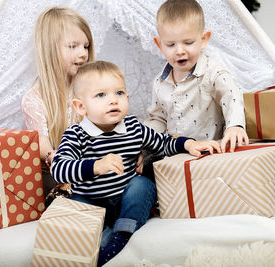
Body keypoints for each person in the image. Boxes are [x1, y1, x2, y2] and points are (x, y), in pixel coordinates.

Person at [51, 61, 221, 266]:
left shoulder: (133, 127)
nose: (113, 100)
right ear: (80, 107)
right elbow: (59, 169)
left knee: (143, 184)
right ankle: (100, 235)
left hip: (125, 199)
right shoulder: (76, 134)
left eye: (119, 93)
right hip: (92, 201)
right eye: (101, 95)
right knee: (75, 205)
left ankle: (122, 234)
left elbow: (162, 143)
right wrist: (95, 166)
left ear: (127, 98)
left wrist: (188, 144)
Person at [145, 0, 249, 153]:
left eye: (188, 42)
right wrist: (143, 145)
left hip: (210, 153)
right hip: (174, 156)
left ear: (203, 40)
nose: (179, 51)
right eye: (171, 45)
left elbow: (231, 95)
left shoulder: (212, 72)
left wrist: (235, 126)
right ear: (159, 45)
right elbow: (158, 119)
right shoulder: (160, 82)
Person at [21, 7, 94, 199]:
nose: (83, 54)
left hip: (90, 164)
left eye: (85, 46)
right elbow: (41, 143)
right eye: (73, 46)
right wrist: (57, 160)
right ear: (50, 49)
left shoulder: (88, 85)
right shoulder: (35, 97)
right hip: (58, 170)